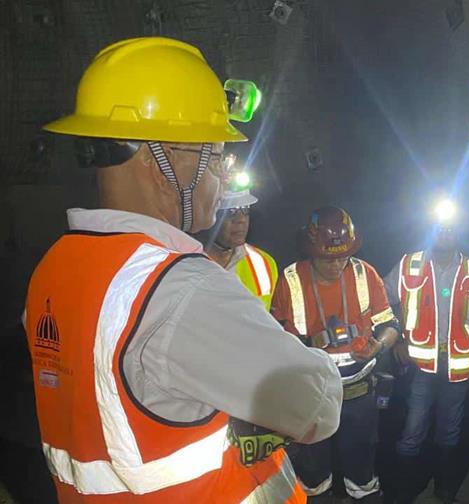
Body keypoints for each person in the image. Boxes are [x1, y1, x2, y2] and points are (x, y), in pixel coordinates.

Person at [24, 36, 341, 502]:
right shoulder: (180, 288)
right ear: (165, 159)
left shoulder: (53, 270)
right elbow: (317, 407)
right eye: (215, 156)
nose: (221, 175)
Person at [271, 206, 401, 503]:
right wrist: (310, 342)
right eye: (328, 258)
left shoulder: (364, 273)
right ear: (311, 250)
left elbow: (390, 325)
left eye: (342, 256)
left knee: (362, 469)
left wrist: (378, 346)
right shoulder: (291, 279)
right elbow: (275, 339)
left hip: (359, 394)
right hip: (312, 394)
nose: (336, 264)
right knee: (314, 474)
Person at [383, 198, 469, 503]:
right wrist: (397, 339)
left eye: (450, 227)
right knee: (412, 431)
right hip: (419, 365)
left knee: (449, 433)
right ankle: (402, 493)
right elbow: (378, 302)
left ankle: (444, 491)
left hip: (459, 366)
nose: (444, 232)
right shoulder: (409, 264)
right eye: (439, 226)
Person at [205, 183, 279, 310]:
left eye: (245, 209)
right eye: (231, 211)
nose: (241, 219)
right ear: (209, 214)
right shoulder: (187, 260)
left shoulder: (264, 263)